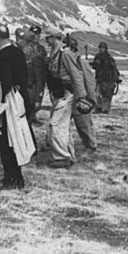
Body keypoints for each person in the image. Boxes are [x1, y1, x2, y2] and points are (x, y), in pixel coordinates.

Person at [0, 25, 32, 189]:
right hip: (21, 101)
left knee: (7, 143)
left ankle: (11, 179)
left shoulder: (2, 56)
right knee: (18, 141)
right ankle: (18, 177)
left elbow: (6, 82)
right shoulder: (18, 53)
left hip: (9, 104)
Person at [44, 28, 91, 168]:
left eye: (48, 38)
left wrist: (81, 97)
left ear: (53, 38)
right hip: (59, 94)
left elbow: (76, 76)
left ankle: (61, 157)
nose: (46, 41)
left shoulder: (65, 54)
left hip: (66, 94)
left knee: (56, 124)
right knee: (64, 126)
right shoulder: (55, 53)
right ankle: (69, 154)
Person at [65, 36, 98, 151]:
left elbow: (89, 80)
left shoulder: (81, 62)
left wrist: (91, 98)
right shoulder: (64, 61)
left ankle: (91, 144)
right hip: (66, 96)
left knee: (84, 124)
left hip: (80, 97)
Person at [15, 28, 46, 125]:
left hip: (30, 94)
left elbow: (39, 79)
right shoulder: (18, 53)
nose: (18, 41)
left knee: (26, 123)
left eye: (21, 40)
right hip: (19, 93)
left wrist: (38, 99)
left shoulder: (34, 57)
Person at [90, 42, 121, 114]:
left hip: (107, 79)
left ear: (105, 49)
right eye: (100, 48)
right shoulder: (97, 57)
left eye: (103, 48)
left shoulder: (109, 58)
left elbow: (114, 68)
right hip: (99, 78)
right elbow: (95, 66)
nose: (101, 49)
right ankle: (98, 107)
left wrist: (116, 78)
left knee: (106, 94)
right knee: (96, 94)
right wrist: (94, 64)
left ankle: (105, 109)